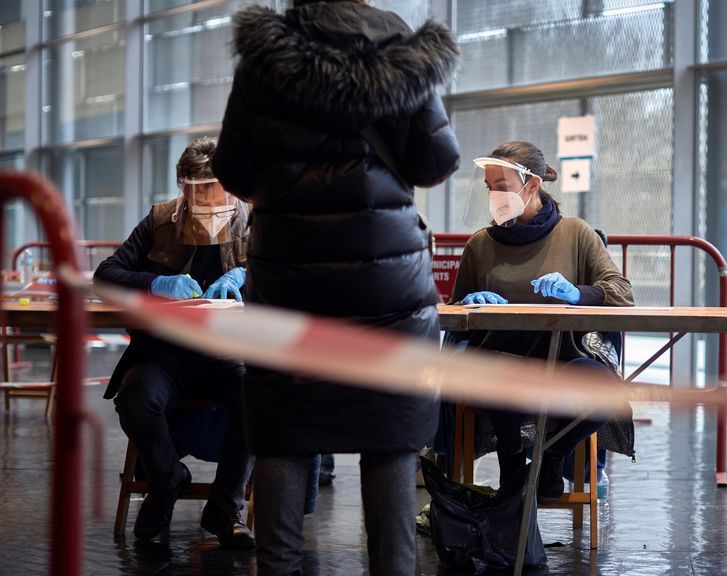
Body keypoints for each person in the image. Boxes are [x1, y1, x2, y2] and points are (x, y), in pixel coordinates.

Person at [211, 1, 460, 574]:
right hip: (388, 288)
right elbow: (434, 161)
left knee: (284, 428)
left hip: (289, 280)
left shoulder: (264, 55)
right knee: (389, 430)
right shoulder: (403, 46)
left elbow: (235, 170)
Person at [449, 140, 634, 503]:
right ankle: (513, 458)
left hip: (562, 359)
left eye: (501, 187)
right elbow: (455, 311)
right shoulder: (479, 245)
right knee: (493, 374)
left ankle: (551, 458)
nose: (494, 197)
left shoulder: (576, 234)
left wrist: (578, 293)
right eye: (490, 189)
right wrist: (469, 302)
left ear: (532, 185)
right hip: (497, 363)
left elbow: (621, 292)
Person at [94, 136, 255, 547]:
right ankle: (167, 483)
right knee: (135, 399)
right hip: (165, 353)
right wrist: (155, 282)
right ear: (183, 187)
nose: (204, 200)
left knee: (258, 398)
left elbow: (289, 282)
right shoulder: (161, 220)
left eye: (213, 190)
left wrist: (244, 277)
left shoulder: (255, 221)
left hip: (227, 350)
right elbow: (106, 275)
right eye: (195, 191)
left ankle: (224, 509)